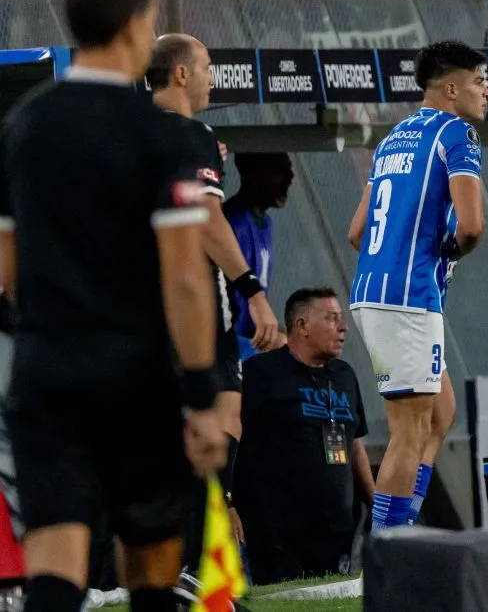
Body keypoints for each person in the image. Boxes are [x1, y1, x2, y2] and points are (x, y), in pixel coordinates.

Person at [0, 0, 227, 612]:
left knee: (56, 564)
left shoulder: (21, 130)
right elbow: (186, 279)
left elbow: (5, 274)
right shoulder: (163, 137)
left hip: (46, 373)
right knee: (151, 565)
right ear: (133, 25)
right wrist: (201, 391)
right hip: (138, 376)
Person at [145, 32, 284, 576]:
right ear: (180, 74)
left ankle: (172, 566)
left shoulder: (127, 131)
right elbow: (206, 218)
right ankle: (194, 571)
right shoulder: (192, 133)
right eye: (205, 67)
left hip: (134, 305)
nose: (211, 78)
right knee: (223, 419)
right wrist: (252, 290)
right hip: (193, 301)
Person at [346, 40, 488, 531]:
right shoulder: (457, 134)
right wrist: (447, 254)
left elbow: (356, 233)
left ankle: (403, 530)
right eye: (477, 81)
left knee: (440, 413)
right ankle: (389, 554)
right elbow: (471, 227)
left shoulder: (393, 139)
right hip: (408, 299)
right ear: (451, 88)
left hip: (374, 292)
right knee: (408, 431)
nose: (485, 90)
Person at [232, 287, 374, 584]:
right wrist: (227, 502)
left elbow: (355, 443)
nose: (343, 327)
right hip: (277, 535)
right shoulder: (261, 372)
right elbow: (232, 435)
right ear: (302, 326)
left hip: (337, 533)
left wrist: (376, 504)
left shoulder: (344, 375)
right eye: (332, 318)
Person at [223, 152, 294, 363]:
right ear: (253, 173)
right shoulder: (233, 224)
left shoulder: (265, 223)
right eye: (280, 170)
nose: (290, 177)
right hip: (231, 348)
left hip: (248, 344)